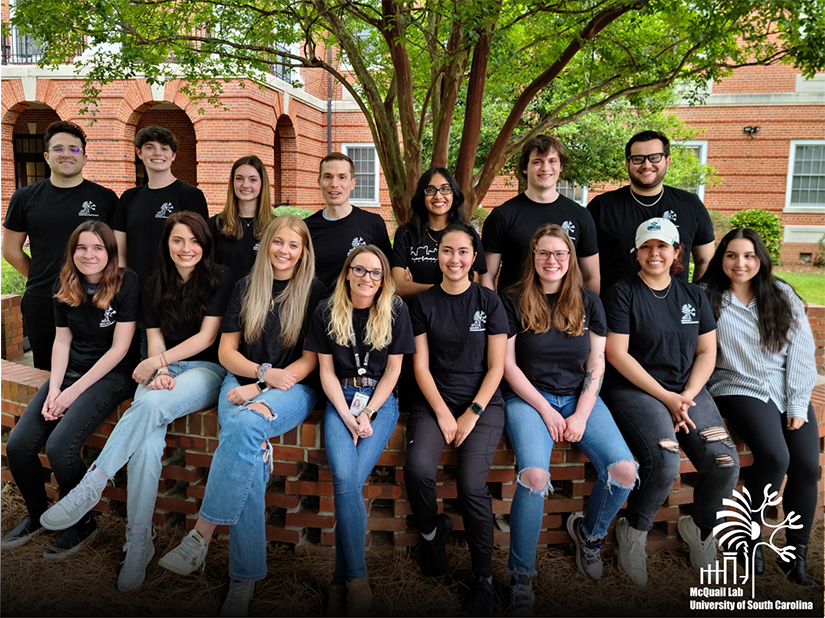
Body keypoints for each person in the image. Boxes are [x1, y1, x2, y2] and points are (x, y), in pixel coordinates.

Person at [38, 212, 233, 591]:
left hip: (205, 372)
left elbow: (208, 338)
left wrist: (159, 363)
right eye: (178, 240)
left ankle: (91, 484)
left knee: (151, 407)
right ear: (167, 244)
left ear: (205, 245)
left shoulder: (219, 277)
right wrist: (160, 370)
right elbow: (155, 333)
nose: (186, 248)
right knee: (146, 443)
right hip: (163, 367)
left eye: (194, 241)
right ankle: (139, 542)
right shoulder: (154, 282)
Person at [157, 215, 326, 617]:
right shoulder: (247, 287)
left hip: (294, 387)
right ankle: (244, 578)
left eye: (293, 245)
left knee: (247, 424)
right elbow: (226, 352)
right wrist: (259, 374)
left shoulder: (316, 292)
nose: (284, 251)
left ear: (304, 252)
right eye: (278, 242)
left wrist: (264, 386)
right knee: (247, 445)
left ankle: (200, 535)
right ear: (266, 244)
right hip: (244, 375)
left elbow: (309, 361)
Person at [501, 224, 637, 614]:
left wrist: (580, 412)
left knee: (625, 470)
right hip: (528, 399)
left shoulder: (589, 301)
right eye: (544, 253)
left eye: (560, 254)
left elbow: (597, 362)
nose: (552, 261)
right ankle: (521, 576)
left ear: (570, 259)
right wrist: (545, 410)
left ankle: (590, 536)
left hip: (580, 397)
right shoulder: (512, 299)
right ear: (533, 258)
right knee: (534, 477)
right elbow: (508, 365)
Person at [602, 217, 739, 587]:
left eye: (662, 246)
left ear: (677, 251)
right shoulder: (622, 292)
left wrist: (688, 396)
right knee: (664, 461)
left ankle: (700, 527)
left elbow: (707, 351)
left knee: (724, 462)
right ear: (637, 252)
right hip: (635, 390)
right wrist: (667, 398)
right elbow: (616, 354)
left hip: (687, 390)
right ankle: (634, 531)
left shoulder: (693, 295)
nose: (654, 253)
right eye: (646, 247)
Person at [1, 221, 137, 557]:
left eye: (97, 248)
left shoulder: (126, 283)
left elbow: (119, 350)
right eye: (81, 248)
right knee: (18, 446)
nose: (88, 255)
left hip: (111, 375)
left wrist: (71, 394)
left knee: (61, 447)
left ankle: (82, 523)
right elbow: (62, 341)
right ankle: (37, 517)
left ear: (110, 252)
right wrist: (54, 389)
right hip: (70, 372)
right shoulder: (66, 284)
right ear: (72, 252)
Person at [701, 228, 818, 586]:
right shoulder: (708, 297)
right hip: (737, 385)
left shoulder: (780, 293)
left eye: (749, 255)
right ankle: (747, 542)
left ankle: (795, 554)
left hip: (785, 388)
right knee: (774, 457)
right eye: (732, 255)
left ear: (760, 258)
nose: (741, 263)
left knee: (807, 467)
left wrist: (798, 403)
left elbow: (801, 350)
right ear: (721, 259)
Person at [403, 222, 508, 616]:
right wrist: (446, 415)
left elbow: (496, 368)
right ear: (438, 255)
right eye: (447, 251)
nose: (455, 259)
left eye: (463, 251)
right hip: (434, 401)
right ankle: (432, 532)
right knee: (416, 470)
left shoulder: (489, 302)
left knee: (470, 486)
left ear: (474, 257)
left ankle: (483, 578)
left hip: (482, 403)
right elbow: (422, 370)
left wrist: (471, 413)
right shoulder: (424, 304)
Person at [305, 246, 415, 616]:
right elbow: (325, 373)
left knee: (348, 484)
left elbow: (395, 372)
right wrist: (346, 413)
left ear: (384, 278)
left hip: (379, 401)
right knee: (346, 481)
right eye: (360, 270)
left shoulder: (396, 310)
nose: (368, 278)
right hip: (340, 398)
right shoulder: (325, 310)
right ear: (347, 272)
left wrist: (368, 411)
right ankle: (357, 580)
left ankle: (340, 581)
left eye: (376, 273)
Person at [2, 121, 118, 369]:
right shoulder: (25, 197)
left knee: (94, 372)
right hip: (44, 299)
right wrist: (44, 277)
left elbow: (115, 250)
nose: (66, 154)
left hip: (94, 299)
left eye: (74, 149)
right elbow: (11, 250)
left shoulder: (105, 198)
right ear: (46, 156)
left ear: (85, 157)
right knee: (47, 372)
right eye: (58, 149)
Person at [587, 130, 715, 292]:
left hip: (674, 309)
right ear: (627, 164)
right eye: (638, 159)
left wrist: (696, 299)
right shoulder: (602, 206)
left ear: (667, 161)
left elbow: (705, 260)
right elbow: (584, 265)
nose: (646, 165)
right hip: (614, 310)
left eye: (654, 157)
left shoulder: (690, 205)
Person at [480, 134, 599, 294]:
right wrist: (495, 315)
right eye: (537, 161)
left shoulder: (580, 216)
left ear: (561, 166)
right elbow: (486, 275)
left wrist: (585, 315)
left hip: (565, 314)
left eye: (552, 161)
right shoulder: (502, 216)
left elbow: (591, 276)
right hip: (513, 314)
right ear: (525, 167)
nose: (545, 168)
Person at [112, 125, 209, 286]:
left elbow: (200, 246)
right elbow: (119, 252)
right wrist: (123, 284)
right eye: (150, 147)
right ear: (139, 153)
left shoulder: (190, 195)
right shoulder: (129, 198)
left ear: (173, 155)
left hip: (175, 288)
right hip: (136, 288)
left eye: (164, 148)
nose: (157, 153)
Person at [391, 167, 486, 300]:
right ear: (422, 195)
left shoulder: (468, 235)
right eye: (430, 190)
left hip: (456, 314)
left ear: (453, 193)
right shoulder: (406, 234)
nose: (438, 196)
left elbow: (472, 287)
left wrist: (415, 286)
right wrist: (446, 289)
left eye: (445, 189)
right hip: (415, 316)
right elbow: (399, 287)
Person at [305, 153, 392, 293]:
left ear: (352, 183)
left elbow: (387, 273)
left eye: (342, 177)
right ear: (319, 182)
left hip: (362, 310)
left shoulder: (373, 224)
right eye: (328, 177)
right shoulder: (307, 228)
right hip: (318, 311)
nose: (334, 184)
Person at [209, 155, 274, 285]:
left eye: (253, 180)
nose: (245, 185)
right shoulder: (214, 225)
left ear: (262, 184)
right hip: (223, 301)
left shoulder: (275, 226)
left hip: (261, 301)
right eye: (239, 179)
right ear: (232, 182)